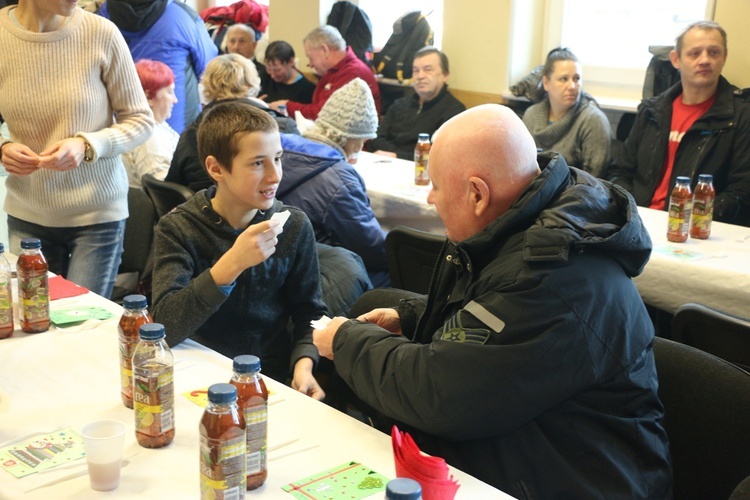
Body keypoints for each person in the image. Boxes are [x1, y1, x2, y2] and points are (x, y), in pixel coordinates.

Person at [313, 104, 673, 498]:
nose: (430, 198)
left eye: (435, 185)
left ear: (478, 194)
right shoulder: (523, 223)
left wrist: (346, 341)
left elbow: (442, 394)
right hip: (529, 447)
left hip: (578, 478)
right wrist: (414, 317)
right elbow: (491, 323)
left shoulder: (550, 274)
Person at [152, 101, 326, 398]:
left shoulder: (293, 226)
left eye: (278, 159)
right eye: (258, 163)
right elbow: (165, 327)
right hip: (197, 374)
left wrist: (304, 363)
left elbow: (309, 313)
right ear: (216, 168)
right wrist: (231, 263)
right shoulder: (179, 228)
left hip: (268, 377)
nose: (274, 176)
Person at [0, 0, 154, 298]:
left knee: (82, 326)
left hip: (96, 216)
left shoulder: (101, 33)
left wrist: (87, 144)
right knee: (34, 322)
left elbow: (141, 120)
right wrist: (3, 147)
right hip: (27, 212)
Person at [610, 21, 750, 226]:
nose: (705, 60)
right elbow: (619, 172)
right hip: (639, 221)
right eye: (695, 53)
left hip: (699, 229)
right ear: (676, 59)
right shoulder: (650, 111)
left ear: (724, 58)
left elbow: (742, 190)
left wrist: (687, 218)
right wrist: (632, 213)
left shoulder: (740, 116)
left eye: (714, 52)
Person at [279, 78, 388, 287]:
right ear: (350, 138)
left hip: (281, 264)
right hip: (319, 275)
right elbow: (371, 248)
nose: (362, 146)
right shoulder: (339, 179)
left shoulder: (282, 151)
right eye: (363, 139)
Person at [167, 53, 296, 193]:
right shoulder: (281, 126)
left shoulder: (190, 133)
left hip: (200, 208)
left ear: (207, 85)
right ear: (252, 82)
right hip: (261, 205)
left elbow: (171, 188)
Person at [99, 0, 218, 134]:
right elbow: (209, 69)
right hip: (179, 137)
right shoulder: (183, 16)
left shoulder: (99, 17)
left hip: (120, 135)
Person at [522, 47, 612, 178]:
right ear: (546, 83)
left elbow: (592, 183)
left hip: (574, 196)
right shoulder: (530, 115)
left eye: (576, 79)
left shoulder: (594, 121)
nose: (572, 86)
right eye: (564, 79)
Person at [367, 47, 465, 160]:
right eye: (416, 71)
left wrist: (397, 156)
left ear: (445, 75)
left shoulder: (455, 112)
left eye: (427, 70)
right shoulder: (399, 104)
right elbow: (376, 138)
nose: (420, 76)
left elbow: (439, 156)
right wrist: (395, 156)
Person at [268, 25, 381, 120]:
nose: (310, 64)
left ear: (324, 50)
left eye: (310, 57)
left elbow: (322, 113)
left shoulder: (352, 73)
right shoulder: (336, 72)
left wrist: (287, 106)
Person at [123, 59, 179, 189]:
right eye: (170, 92)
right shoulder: (149, 136)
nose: (175, 100)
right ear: (148, 98)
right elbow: (164, 193)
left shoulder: (154, 126)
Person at [224, 23, 268, 90]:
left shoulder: (264, 73)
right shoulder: (221, 71)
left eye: (242, 42)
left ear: (254, 45)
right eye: (232, 41)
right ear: (227, 44)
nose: (236, 47)